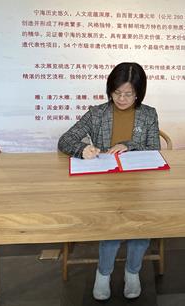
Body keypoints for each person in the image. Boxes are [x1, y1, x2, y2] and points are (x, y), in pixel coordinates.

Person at [58, 62, 160, 301]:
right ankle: (103, 274)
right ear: (110, 90)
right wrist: (82, 149)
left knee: (141, 230)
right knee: (111, 230)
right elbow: (65, 140)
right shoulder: (97, 113)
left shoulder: (148, 114)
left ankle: (132, 272)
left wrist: (129, 145)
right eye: (117, 93)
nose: (122, 99)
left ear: (139, 93)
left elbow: (154, 148)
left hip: (139, 184)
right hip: (106, 185)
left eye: (128, 94)